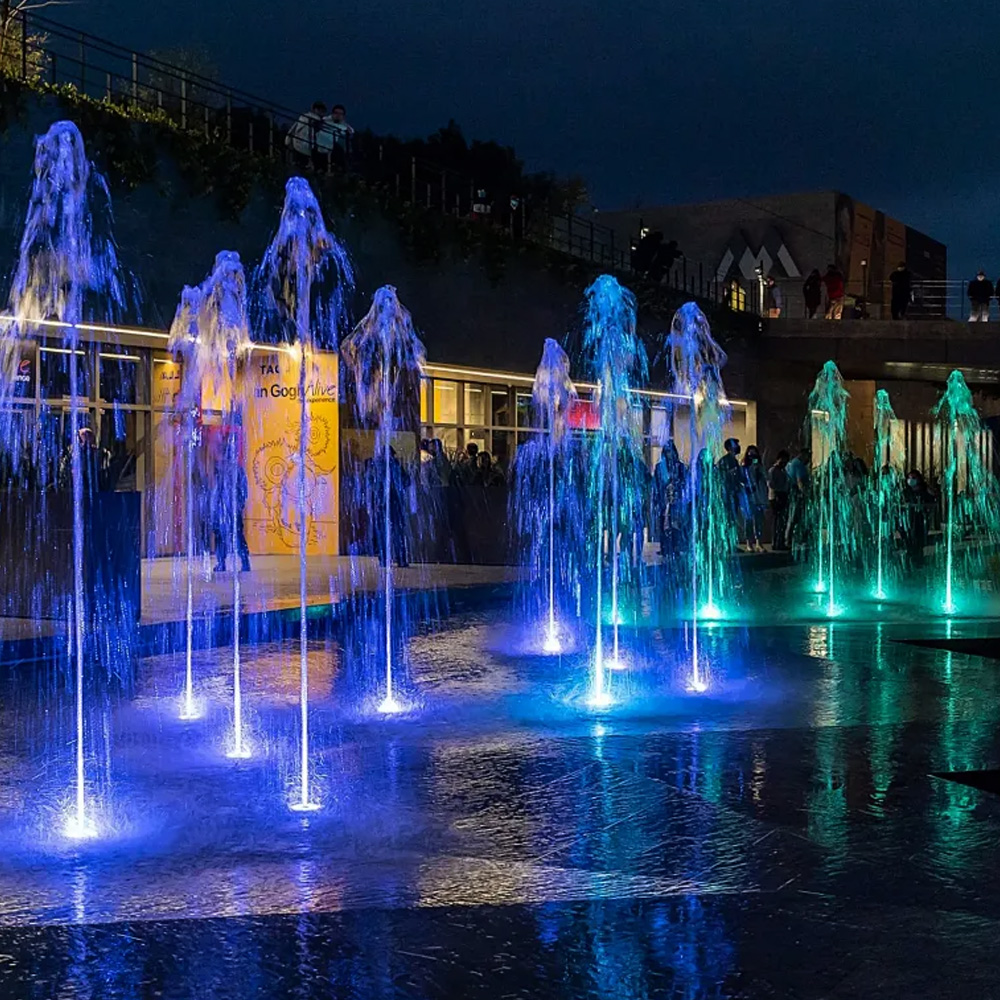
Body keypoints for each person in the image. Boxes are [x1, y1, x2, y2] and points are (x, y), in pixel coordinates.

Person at [213, 445, 251, 573]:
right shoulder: (220, 471)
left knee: (237, 535)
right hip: (223, 509)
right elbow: (217, 490)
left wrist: (240, 504)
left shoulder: (237, 471)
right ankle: (222, 562)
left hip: (232, 509)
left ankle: (244, 562)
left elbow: (243, 489)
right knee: (221, 536)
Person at [654, 440, 686, 557]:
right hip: (664, 500)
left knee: (676, 524)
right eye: (667, 451)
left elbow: (685, 482)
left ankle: (676, 547)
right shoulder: (660, 467)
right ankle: (665, 547)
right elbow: (656, 485)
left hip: (677, 500)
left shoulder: (680, 466)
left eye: (671, 451)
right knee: (664, 524)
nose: (669, 454)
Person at [901, 469, 934, 569]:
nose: (911, 480)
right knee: (908, 540)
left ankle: (919, 561)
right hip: (908, 519)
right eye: (909, 478)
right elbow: (901, 502)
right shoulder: (906, 491)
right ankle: (909, 561)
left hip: (920, 518)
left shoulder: (924, 490)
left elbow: (931, 501)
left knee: (919, 540)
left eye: (914, 478)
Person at [717, 438, 747, 543]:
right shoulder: (725, 461)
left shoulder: (733, 460)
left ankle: (731, 544)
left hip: (732, 494)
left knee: (732, 519)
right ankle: (727, 544)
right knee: (729, 519)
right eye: (736, 445)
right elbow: (722, 478)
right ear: (730, 447)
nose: (738, 447)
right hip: (728, 495)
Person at [742, 445, 769, 551]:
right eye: (750, 454)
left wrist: (759, 469)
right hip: (749, 497)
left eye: (755, 454)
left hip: (759, 497)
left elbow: (766, 478)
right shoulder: (744, 467)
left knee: (759, 521)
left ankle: (759, 542)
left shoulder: (760, 467)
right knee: (748, 521)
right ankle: (748, 542)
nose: (753, 457)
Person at [285, 101, 327, 168]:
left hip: (299, 143)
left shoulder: (304, 117)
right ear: (314, 109)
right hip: (304, 144)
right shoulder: (310, 118)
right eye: (318, 109)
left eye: (322, 110)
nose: (320, 111)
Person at [784, 447, 811, 548]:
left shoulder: (790, 463)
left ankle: (788, 539)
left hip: (790, 493)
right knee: (795, 517)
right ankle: (790, 540)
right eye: (808, 456)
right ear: (803, 455)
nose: (808, 460)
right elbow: (800, 482)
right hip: (796, 494)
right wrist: (805, 494)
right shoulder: (799, 464)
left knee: (792, 517)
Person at [767, 449, 791, 550]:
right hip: (776, 496)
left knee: (782, 521)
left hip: (783, 495)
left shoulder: (783, 470)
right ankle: (775, 542)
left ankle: (780, 542)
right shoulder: (773, 470)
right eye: (783, 460)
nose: (784, 463)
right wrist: (778, 492)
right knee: (777, 521)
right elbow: (771, 484)